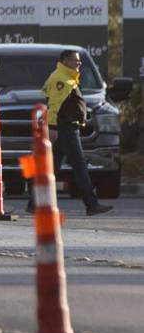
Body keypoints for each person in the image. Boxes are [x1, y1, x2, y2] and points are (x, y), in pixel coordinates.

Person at [33, 50, 112, 216]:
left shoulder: (67, 77)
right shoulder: (61, 79)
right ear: (66, 61)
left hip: (67, 127)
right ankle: (91, 204)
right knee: (79, 166)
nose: (78, 64)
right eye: (76, 61)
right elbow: (54, 106)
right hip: (65, 129)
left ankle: (34, 202)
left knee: (51, 167)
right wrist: (53, 128)